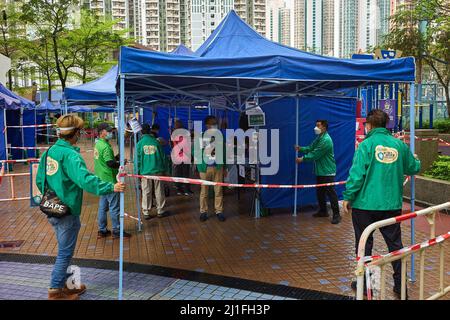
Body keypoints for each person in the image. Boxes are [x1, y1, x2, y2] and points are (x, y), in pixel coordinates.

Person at [36, 114, 125, 300]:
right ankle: (55, 291)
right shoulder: (70, 155)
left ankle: (67, 285)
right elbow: (85, 180)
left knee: (64, 249)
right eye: (80, 131)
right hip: (67, 210)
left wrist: (50, 196)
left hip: (51, 207)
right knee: (65, 252)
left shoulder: (49, 151)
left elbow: (39, 180)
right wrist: (111, 186)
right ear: (76, 133)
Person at [342, 109, 421, 299]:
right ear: (386, 124)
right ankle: (400, 286)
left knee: (364, 245)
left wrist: (348, 196)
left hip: (364, 205)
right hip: (391, 204)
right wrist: (416, 160)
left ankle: (364, 283)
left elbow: (357, 175)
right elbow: (413, 167)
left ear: (368, 125)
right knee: (395, 246)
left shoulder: (366, 145)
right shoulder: (399, 145)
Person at [295, 120, 341, 224]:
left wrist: (302, 159)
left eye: (318, 125)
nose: (315, 128)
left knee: (331, 194)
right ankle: (323, 211)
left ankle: (337, 215)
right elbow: (311, 147)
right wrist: (300, 148)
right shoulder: (320, 138)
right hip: (320, 171)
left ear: (324, 127)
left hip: (328, 171)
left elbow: (316, 154)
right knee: (320, 192)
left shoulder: (326, 140)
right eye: (316, 125)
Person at [94, 122, 131, 239]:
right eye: (108, 131)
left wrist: (116, 158)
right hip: (110, 181)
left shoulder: (98, 144)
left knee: (102, 207)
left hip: (101, 179)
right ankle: (117, 230)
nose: (110, 132)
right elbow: (110, 163)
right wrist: (120, 163)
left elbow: (106, 160)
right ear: (101, 133)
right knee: (114, 207)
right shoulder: (105, 146)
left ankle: (102, 230)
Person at [136, 123, 169, 220]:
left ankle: (146, 211)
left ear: (141, 132)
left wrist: (137, 172)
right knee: (159, 190)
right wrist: (165, 170)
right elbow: (163, 157)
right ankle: (160, 210)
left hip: (145, 171)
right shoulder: (156, 142)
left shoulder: (139, 144)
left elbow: (137, 160)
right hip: (157, 170)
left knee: (146, 191)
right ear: (150, 131)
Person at [196, 116, 226, 222]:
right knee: (204, 191)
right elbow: (196, 153)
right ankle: (203, 211)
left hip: (218, 167)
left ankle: (219, 211)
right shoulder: (200, 137)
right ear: (207, 125)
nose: (215, 125)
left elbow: (224, 152)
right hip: (205, 168)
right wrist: (199, 167)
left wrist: (224, 167)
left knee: (218, 190)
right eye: (212, 123)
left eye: (215, 123)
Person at [171, 119, 193, 196]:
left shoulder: (174, 134)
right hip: (183, 156)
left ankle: (181, 189)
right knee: (184, 173)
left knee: (180, 173)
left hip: (179, 156)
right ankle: (184, 189)